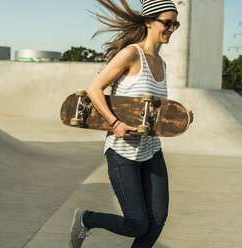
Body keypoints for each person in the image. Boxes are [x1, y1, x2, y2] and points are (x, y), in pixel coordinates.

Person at [69, 0, 193, 247]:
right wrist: (114, 122)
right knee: (136, 223)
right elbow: (95, 89)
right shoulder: (130, 54)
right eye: (167, 23)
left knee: (158, 219)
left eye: (175, 24)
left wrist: (180, 117)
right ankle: (87, 218)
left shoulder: (162, 63)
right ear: (149, 22)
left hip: (151, 150)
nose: (171, 28)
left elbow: (151, 111)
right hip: (122, 152)